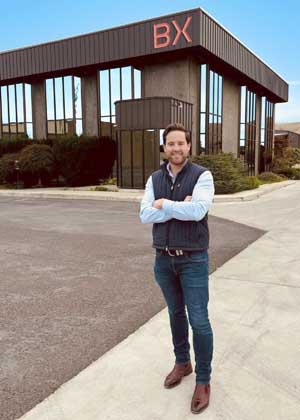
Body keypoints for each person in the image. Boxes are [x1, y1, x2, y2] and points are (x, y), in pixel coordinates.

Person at [139, 123, 214, 415]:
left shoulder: (202, 176)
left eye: (181, 143)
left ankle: (204, 380)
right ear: (164, 147)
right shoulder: (154, 177)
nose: (176, 148)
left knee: (199, 320)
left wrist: (164, 205)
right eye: (170, 143)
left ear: (189, 146)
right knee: (175, 314)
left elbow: (198, 211)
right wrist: (178, 205)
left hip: (193, 259)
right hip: (164, 259)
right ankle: (182, 362)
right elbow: (144, 215)